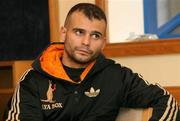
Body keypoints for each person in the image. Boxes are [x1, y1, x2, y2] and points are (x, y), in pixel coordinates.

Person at [4, 3, 180, 121]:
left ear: (103, 42)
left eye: (95, 35)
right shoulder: (33, 80)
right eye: (79, 32)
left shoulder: (116, 76)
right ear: (64, 33)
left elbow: (167, 101)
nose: (86, 42)